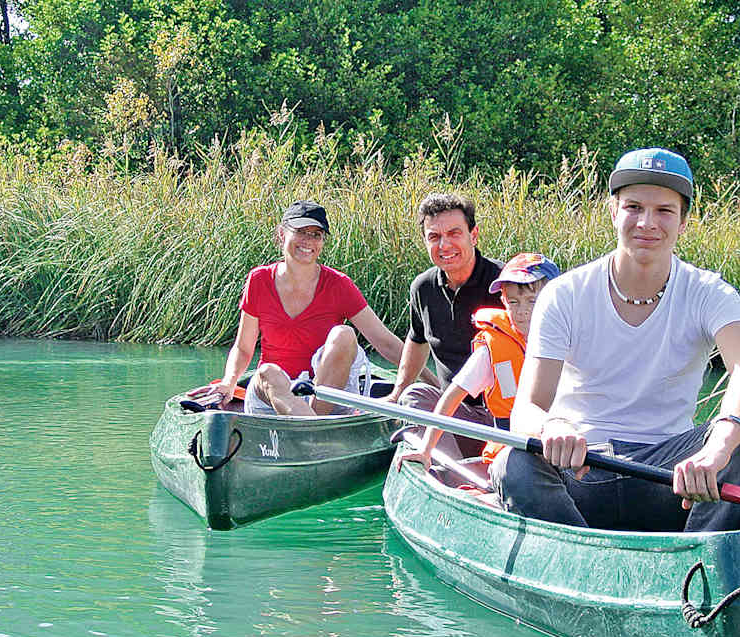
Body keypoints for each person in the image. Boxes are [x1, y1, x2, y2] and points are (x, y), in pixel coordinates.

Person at [492, 148, 740, 532]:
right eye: (633, 207)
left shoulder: (709, 293)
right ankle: (580, 558)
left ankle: (701, 561)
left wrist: (718, 448)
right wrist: (550, 429)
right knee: (514, 462)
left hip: (672, 479)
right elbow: (527, 408)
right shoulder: (564, 294)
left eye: (664, 211)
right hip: (583, 469)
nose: (647, 223)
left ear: (683, 222)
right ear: (613, 212)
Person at [211, 201, 405, 416]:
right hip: (274, 395)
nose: (308, 241)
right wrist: (229, 382)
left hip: (326, 396)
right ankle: (314, 430)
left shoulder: (339, 284)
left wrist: (435, 385)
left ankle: (310, 423)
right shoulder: (259, 280)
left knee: (345, 334)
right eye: (301, 232)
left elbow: (385, 342)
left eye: (316, 234)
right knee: (267, 372)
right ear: (282, 234)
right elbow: (243, 348)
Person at [405, 252, 560, 468]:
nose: (522, 312)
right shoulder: (491, 350)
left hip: (561, 445)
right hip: (514, 450)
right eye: (513, 302)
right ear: (503, 302)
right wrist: (426, 449)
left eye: (532, 301)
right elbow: (451, 397)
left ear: (555, 300)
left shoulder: (572, 342)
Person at [385, 193, 505, 453]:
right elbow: (417, 341)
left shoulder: (506, 285)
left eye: (454, 233)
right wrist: (397, 392)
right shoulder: (423, 288)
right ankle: (443, 470)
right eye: (434, 237)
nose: (444, 245)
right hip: (455, 416)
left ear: (473, 235)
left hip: (506, 419)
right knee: (413, 396)